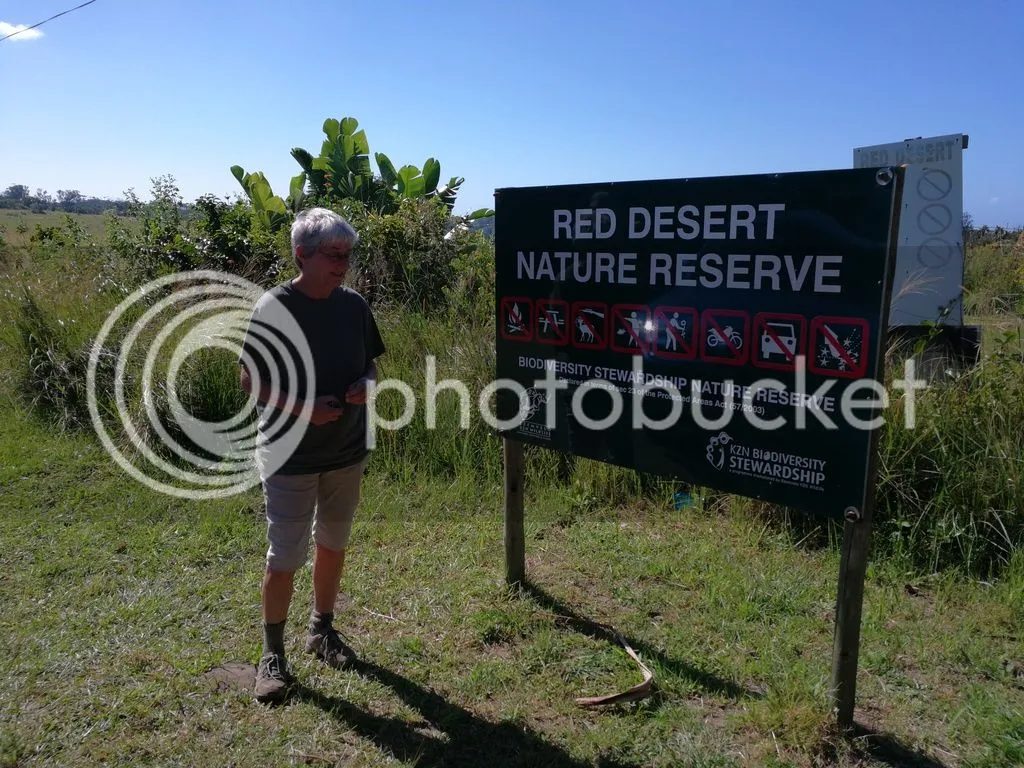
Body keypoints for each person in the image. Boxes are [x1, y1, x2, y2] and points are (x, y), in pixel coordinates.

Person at [239, 207, 386, 704]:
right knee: (284, 559)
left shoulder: (355, 307)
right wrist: (303, 408)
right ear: (302, 254)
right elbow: (249, 379)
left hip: (346, 452)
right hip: (290, 456)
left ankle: (321, 630)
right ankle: (272, 653)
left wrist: (367, 385)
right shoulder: (274, 307)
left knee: (334, 544)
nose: (342, 263)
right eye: (332, 255)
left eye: (347, 254)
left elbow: (370, 366)